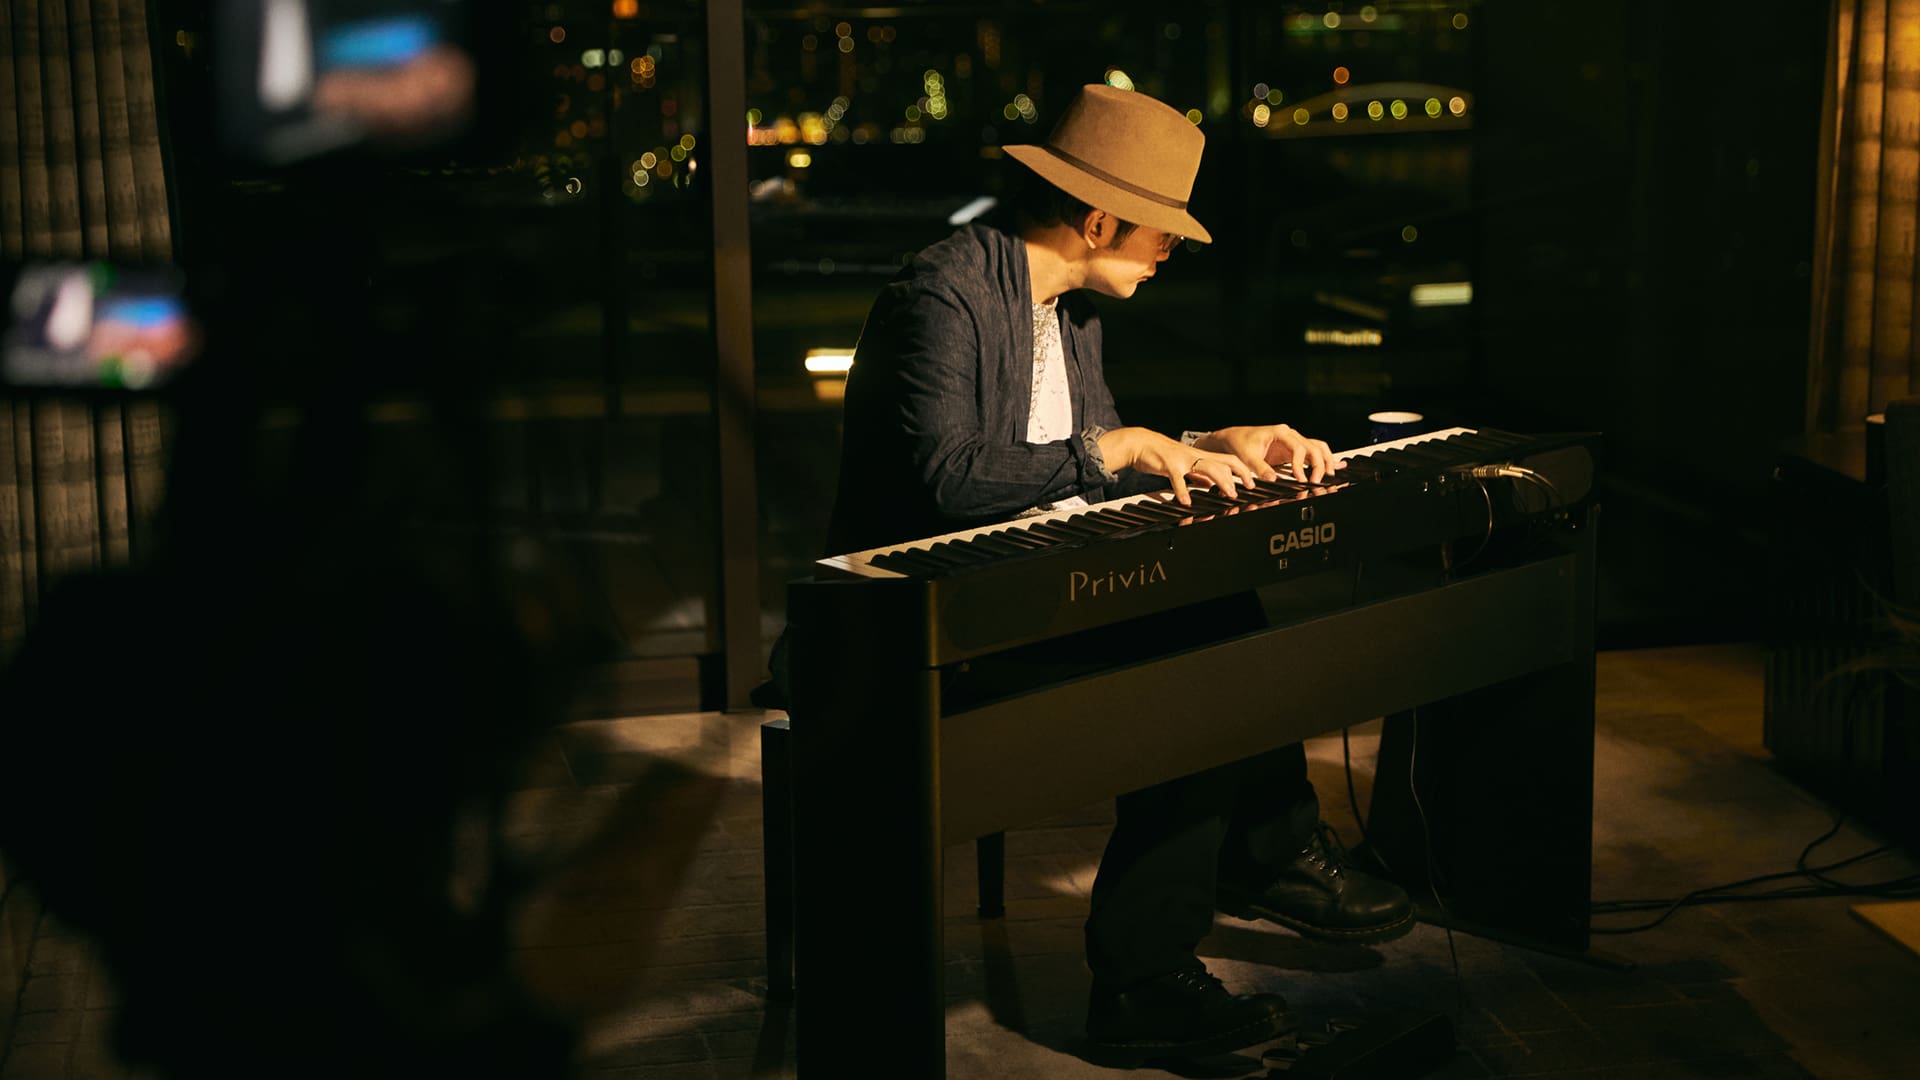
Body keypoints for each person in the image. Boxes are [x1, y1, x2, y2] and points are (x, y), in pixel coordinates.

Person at [817, 84, 1415, 1065]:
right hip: (921, 620)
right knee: (1199, 669)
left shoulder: (1070, 313)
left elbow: (1083, 464)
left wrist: (1211, 444)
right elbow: (951, 477)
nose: (1168, 253)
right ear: (1100, 221)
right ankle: (1173, 949)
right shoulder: (944, 293)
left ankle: (1245, 873)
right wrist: (1120, 446)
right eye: (1162, 234)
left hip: (1022, 587)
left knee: (1217, 614)